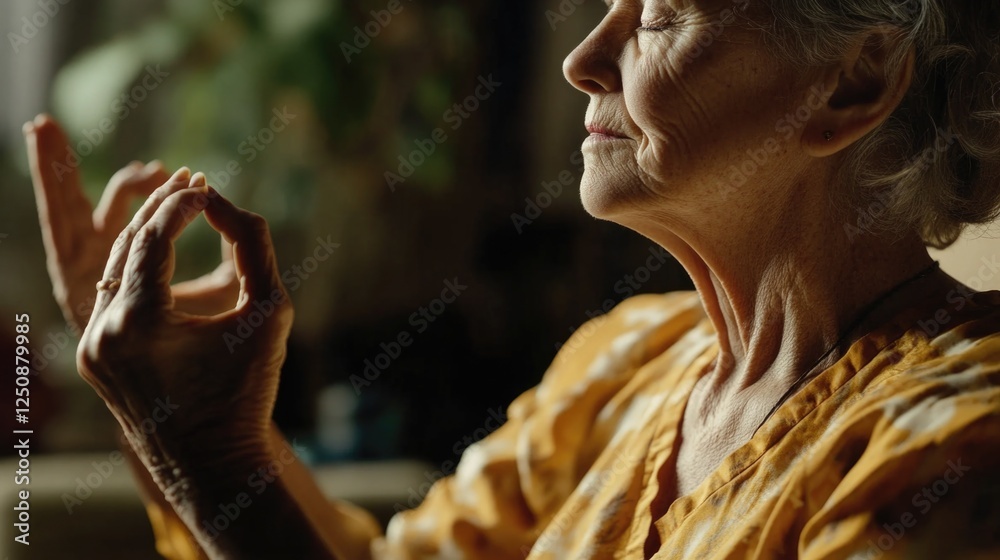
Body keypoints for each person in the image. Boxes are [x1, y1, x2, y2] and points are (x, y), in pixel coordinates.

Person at [24, 0, 1000, 558]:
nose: (582, 60)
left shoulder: (954, 443)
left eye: (658, 14)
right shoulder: (629, 358)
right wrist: (169, 414)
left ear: (857, 82)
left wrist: (208, 453)